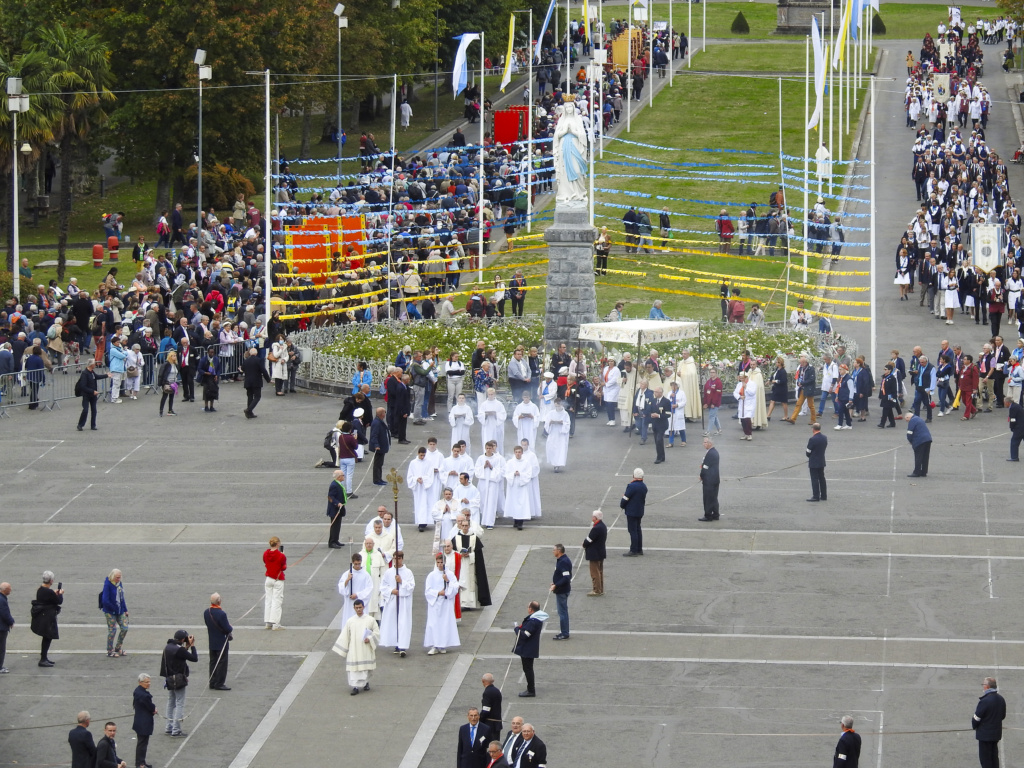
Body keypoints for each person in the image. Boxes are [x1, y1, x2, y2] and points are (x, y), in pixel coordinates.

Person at [332, 598, 379, 695]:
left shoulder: (370, 620)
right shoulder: (350, 621)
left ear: (363, 607)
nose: (358, 609)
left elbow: (377, 633)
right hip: (354, 649)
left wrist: (369, 639)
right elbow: (345, 635)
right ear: (354, 608)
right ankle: (355, 687)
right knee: (354, 670)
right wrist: (343, 649)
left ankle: (366, 683)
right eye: (356, 608)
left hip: (365, 648)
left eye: (360, 607)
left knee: (365, 669)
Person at [160, 629, 198, 737]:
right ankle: (176, 730)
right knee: (180, 703)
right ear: (182, 639)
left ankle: (169, 726)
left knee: (171, 702)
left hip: (169, 678)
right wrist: (193, 646)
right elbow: (194, 658)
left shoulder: (168, 646)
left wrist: (186, 647)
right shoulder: (179, 649)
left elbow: (178, 655)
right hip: (178, 679)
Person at [424, 552, 460, 655]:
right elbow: (428, 591)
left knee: (444, 624)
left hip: (445, 603)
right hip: (435, 603)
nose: (440, 564)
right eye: (438, 562)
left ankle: (442, 645)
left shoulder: (450, 574)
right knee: (434, 624)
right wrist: (438, 593)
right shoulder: (431, 575)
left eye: (441, 562)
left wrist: (447, 581)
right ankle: (434, 645)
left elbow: (455, 587)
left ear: (445, 562)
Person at [380, 551, 415, 656]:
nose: (396, 560)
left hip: (404, 602)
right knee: (394, 623)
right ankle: (396, 643)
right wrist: (391, 591)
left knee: (403, 623)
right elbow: (383, 586)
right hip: (392, 601)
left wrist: (401, 581)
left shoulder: (408, 572)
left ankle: (403, 646)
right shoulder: (389, 572)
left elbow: (411, 587)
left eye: (399, 558)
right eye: (395, 558)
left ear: (402, 559)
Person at [513, 601, 546, 697]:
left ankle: (531, 690)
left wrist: (516, 629)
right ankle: (530, 689)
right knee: (528, 668)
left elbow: (525, 635)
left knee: (528, 669)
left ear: (531, 609)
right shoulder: (536, 619)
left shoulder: (533, 621)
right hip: (530, 647)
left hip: (528, 648)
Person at [30, 570, 63, 667]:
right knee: (47, 637)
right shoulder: (49, 592)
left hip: (43, 616)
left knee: (46, 637)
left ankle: (44, 657)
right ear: (51, 581)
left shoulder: (40, 589)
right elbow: (58, 601)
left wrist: (54, 593)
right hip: (48, 618)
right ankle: (43, 659)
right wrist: (60, 593)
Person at [973, 677, 1006, 768]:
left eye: (983, 684)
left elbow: (976, 718)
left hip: (985, 735)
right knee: (994, 758)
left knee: (985, 760)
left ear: (987, 687)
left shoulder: (984, 701)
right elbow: (1002, 716)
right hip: (995, 734)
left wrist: (974, 726)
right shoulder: (1001, 699)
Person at [203, 593, 233, 691]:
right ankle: (219, 683)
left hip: (212, 640)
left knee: (213, 662)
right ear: (219, 601)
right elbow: (228, 628)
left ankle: (212, 681)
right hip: (221, 641)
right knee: (222, 663)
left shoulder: (207, 612)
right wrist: (230, 626)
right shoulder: (221, 614)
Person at [475, 441, 506, 529]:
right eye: (487, 448)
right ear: (485, 448)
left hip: (493, 483)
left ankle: (490, 523)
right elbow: (476, 471)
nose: (488, 450)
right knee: (483, 501)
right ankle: (483, 520)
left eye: (490, 448)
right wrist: (484, 466)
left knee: (491, 502)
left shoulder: (498, 459)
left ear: (493, 449)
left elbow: (501, 471)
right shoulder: (481, 458)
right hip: (483, 482)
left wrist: (491, 467)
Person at [338, 553, 373, 629]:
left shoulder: (366, 575)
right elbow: (341, 587)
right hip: (350, 604)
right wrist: (347, 579)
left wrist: (357, 595)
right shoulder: (347, 574)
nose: (357, 566)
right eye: (356, 564)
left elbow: (369, 589)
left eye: (359, 564)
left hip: (360, 602)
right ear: (353, 562)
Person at [503, 446, 534, 531]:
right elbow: (506, 473)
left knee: (522, 504)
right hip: (513, 486)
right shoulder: (510, 462)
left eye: (519, 452)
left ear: (522, 453)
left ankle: (520, 522)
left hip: (522, 486)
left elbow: (528, 474)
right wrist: (513, 473)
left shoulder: (526, 462)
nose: (518, 454)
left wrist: (520, 474)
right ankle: (515, 521)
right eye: (516, 452)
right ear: (514, 452)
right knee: (513, 503)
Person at [100, 568, 129, 658]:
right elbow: (105, 600)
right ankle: (109, 650)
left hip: (119, 610)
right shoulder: (107, 584)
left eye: (119, 577)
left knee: (124, 628)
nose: (118, 579)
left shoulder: (119, 584)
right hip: (110, 611)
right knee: (112, 630)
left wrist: (125, 609)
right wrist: (114, 609)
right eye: (117, 577)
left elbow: (121, 597)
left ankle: (118, 647)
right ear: (112, 577)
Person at [620, 468, 648, 556]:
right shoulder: (644, 486)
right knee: (638, 529)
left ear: (634, 476)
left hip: (632, 511)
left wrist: (622, 505)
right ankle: (639, 549)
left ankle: (633, 550)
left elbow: (625, 498)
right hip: (640, 511)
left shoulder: (631, 486)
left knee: (632, 531)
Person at [784, 354, 817, 424]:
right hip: (803, 388)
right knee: (798, 404)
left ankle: (813, 419)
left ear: (805, 362)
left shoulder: (811, 368)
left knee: (811, 405)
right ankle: (793, 418)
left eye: (801, 363)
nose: (800, 364)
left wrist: (803, 382)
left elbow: (812, 379)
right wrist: (799, 381)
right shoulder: (801, 368)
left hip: (809, 389)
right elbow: (799, 376)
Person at [132, 675, 157, 768]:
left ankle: (141, 761)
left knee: (142, 743)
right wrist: (154, 709)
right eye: (146, 682)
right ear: (140, 682)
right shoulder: (145, 695)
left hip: (139, 720)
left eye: (149, 682)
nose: (149, 684)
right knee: (142, 744)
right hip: (144, 722)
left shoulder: (137, 691)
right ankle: (139, 763)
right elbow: (151, 707)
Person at [76, 360, 107, 431]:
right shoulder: (85, 373)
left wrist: (106, 375)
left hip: (93, 395)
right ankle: (80, 424)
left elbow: (97, 377)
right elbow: (83, 386)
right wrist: (92, 391)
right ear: (91, 365)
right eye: (94, 364)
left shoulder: (92, 372)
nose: (95, 365)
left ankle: (93, 425)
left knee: (94, 410)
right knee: (85, 410)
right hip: (86, 395)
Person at [263, 536, 287, 630]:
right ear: (278, 544)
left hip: (269, 578)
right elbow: (283, 567)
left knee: (268, 600)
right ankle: (275, 623)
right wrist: (283, 555)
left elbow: (265, 562)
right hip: (277, 579)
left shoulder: (265, 553)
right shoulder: (281, 556)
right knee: (277, 601)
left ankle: (268, 622)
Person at [549, 544, 571, 640]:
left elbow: (566, 577)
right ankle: (564, 631)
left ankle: (564, 633)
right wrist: (555, 582)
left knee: (562, 612)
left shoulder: (563, 562)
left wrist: (556, 585)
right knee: (563, 611)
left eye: (554, 550)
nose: (553, 551)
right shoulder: (562, 560)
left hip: (562, 590)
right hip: (561, 589)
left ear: (559, 551)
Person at [241, 347, 271, 418]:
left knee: (250, 396)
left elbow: (242, 369)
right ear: (256, 353)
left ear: (250, 353)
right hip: (256, 381)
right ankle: (249, 410)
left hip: (248, 381)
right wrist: (268, 380)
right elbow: (263, 370)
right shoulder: (259, 360)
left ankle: (249, 413)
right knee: (257, 396)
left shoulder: (246, 361)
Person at [582, 510, 607, 596]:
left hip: (594, 553)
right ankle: (600, 589)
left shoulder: (596, 528)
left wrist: (584, 544)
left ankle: (596, 590)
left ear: (595, 518)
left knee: (595, 572)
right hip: (600, 552)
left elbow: (589, 540)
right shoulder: (603, 526)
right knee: (600, 572)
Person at [542, 400, 570, 472]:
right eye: (556, 406)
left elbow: (567, 424)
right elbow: (546, 423)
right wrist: (550, 423)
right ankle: (554, 464)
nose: (557, 407)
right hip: (553, 433)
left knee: (560, 449)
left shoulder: (565, 414)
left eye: (558, 406)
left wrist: (562, 423)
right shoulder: (551, 413)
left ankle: (558, 464)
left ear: (561, 405)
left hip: (561, 435)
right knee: (552, 448)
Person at [699, 436, 721, 522]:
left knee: (708, 498)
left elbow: (705, 467)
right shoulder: (714, 452)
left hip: (709, 480)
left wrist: (701, 475)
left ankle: (708, 515)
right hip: (715, 479)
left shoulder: (710, 454)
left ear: (710, 443)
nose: (703, 444)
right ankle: (715, 514)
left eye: (705, 442)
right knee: (713, 498)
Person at [647, 387, 671, 463]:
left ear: (661, 393)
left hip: (662, 424)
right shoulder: (653, 401)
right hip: (655, 424)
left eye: (656, 392)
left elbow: (668, 414)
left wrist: (659, 415)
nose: (655, 393)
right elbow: (649, 410)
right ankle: (662, 456)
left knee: (659, 440)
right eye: (655, 392)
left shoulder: (666, 401)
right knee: (657, 441)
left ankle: (659, 457)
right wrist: (651, 415)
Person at [905, 412, 932, 478]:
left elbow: (909, 432)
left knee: (918, 456)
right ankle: (924, 471)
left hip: (920, 440)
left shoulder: (912, 421)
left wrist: (910, 440)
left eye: (906, 420)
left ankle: (916, 472)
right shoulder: (919, 419)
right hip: (928, 439)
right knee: (925, 456)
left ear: (908, 417)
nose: (907, 421)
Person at [806, 423, 828, 502]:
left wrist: (810, 456)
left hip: (814, 462)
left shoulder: (812, 439)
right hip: (821, 460)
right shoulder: (824, 438)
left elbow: (808, 451)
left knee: (814, 479)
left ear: (813, 429)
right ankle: (824, 495)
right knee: (822, 478)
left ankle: (816, 496)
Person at [369, 407, 391, 485]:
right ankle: (376, 479)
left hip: (382, 446)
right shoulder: (377, 423)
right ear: (382, 414)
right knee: (377, 464)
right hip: (379, 447)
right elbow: (374, 435)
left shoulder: (379, 421)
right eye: (384, 412)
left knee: (380, 464)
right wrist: (376, 445)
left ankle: (379, 478)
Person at [734, 371, 758, 440]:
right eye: (740, 378)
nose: (741, 379)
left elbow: (752, 392)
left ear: (746, 378)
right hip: (742, 403)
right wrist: (739, 397)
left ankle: (749, 433)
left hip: (749, 403)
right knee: (742, 419)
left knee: (747, 418)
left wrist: (746, 387)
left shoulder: (752, 383)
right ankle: (745, 433)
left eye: (742, 378)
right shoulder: (739, 384)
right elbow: (735, 392)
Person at [327, 469, 348, 548]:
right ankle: (332, 542)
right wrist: (337, 503)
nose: (344, 476)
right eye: (343, 475)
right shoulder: (334, 485)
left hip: (339, 508)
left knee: (338, 525)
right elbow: (330, 497)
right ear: (339, 477)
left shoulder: (338, 484)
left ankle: (336, 540)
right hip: (335, 509)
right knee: (334, 526)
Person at [0, 582, 12, 672]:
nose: (10, 590)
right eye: (9, 588)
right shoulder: (2, 600)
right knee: (1, 648)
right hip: (1, 628)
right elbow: (5, 613)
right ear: (5, 590)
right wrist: (11, 621)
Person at [1008, 397, 1024, 461]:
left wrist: (1012, 427)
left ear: (1008, 402)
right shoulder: (1017, 406)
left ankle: (1014, 457)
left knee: (1014, 441)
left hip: (1019, 427)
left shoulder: (1012, 408)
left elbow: (1013, 419)